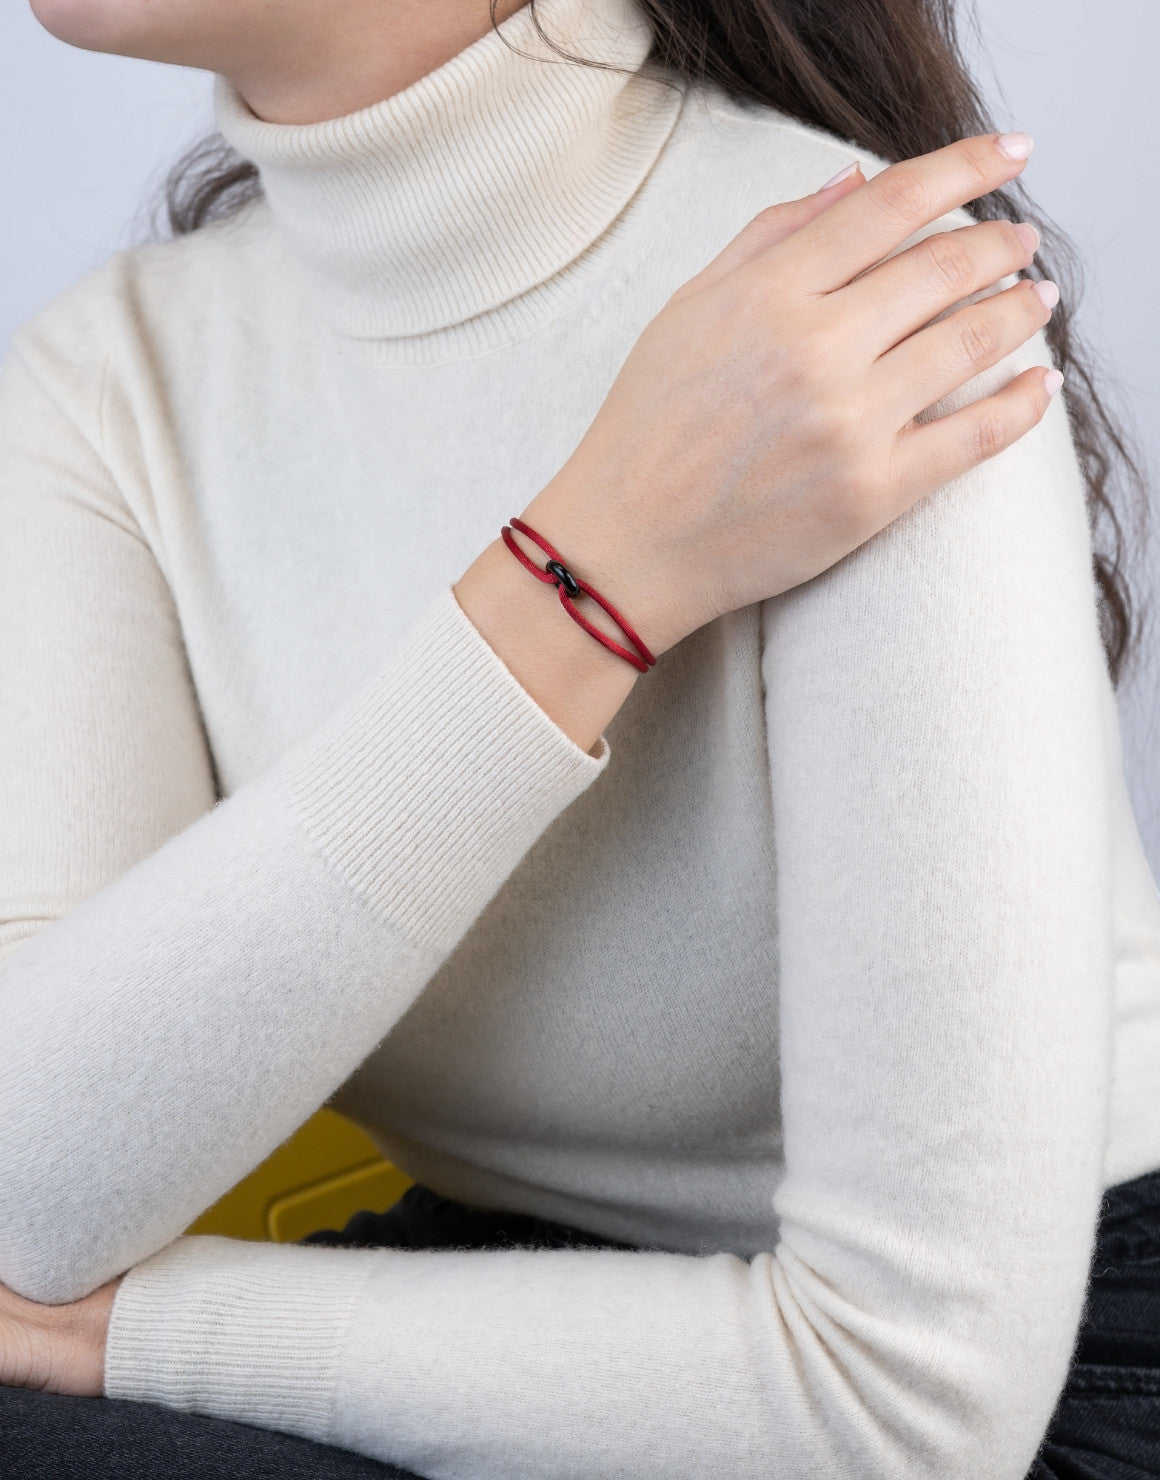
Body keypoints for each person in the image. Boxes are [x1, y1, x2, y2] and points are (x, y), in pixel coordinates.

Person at [0, 0, 1157, 1476]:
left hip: (1040, 1389)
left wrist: (148, 1335)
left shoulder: (849, 309)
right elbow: (24, 1194)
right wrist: (597, 565)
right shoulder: (109, 380)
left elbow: (912, 1409)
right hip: (502, 1287)